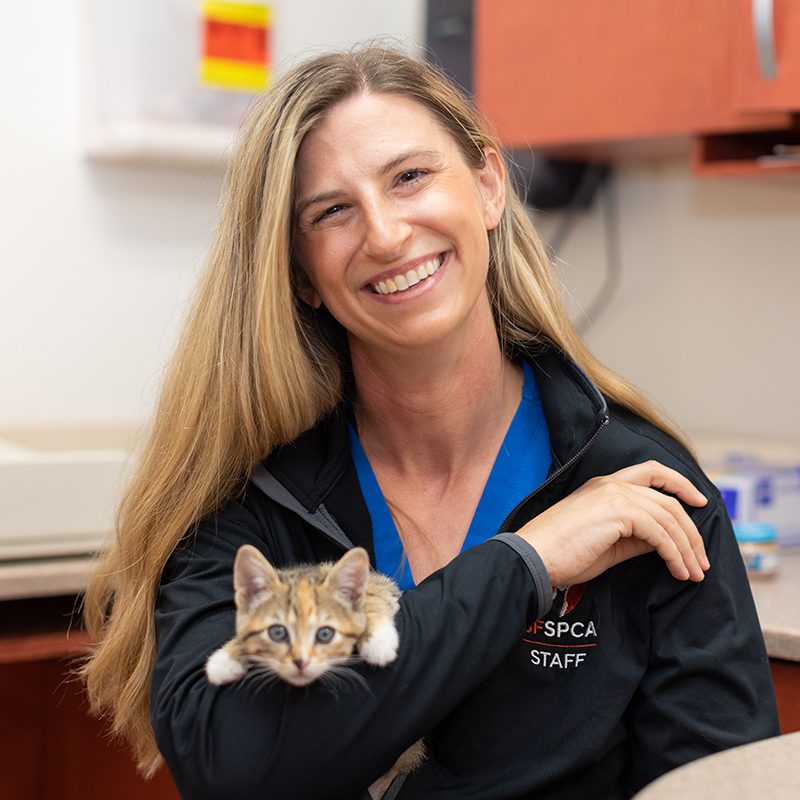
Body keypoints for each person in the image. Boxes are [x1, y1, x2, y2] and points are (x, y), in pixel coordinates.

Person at [80, 45, 778, 800]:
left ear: (488, 185)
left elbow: (720, 784)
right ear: (301, 276)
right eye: (332, 211)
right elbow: (231, 767)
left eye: (410, 177)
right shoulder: (252, 511)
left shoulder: (641, 491)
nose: (384, 234)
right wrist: (524, 564)